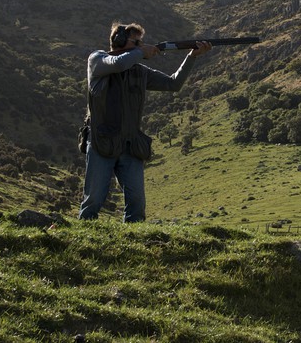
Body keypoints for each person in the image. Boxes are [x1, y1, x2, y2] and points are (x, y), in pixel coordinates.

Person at [79, 22, 211, 222]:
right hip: (101, 141)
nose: (141, 45)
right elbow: (119, 64)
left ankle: (134, 241)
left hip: (131, 143)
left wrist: (191, 56)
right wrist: (141, 52)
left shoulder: (139, 71)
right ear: (119, 40)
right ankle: (85, 241)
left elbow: (173, 83)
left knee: (137, 202)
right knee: (94, 200)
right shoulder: (97, 59)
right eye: (136, 41)